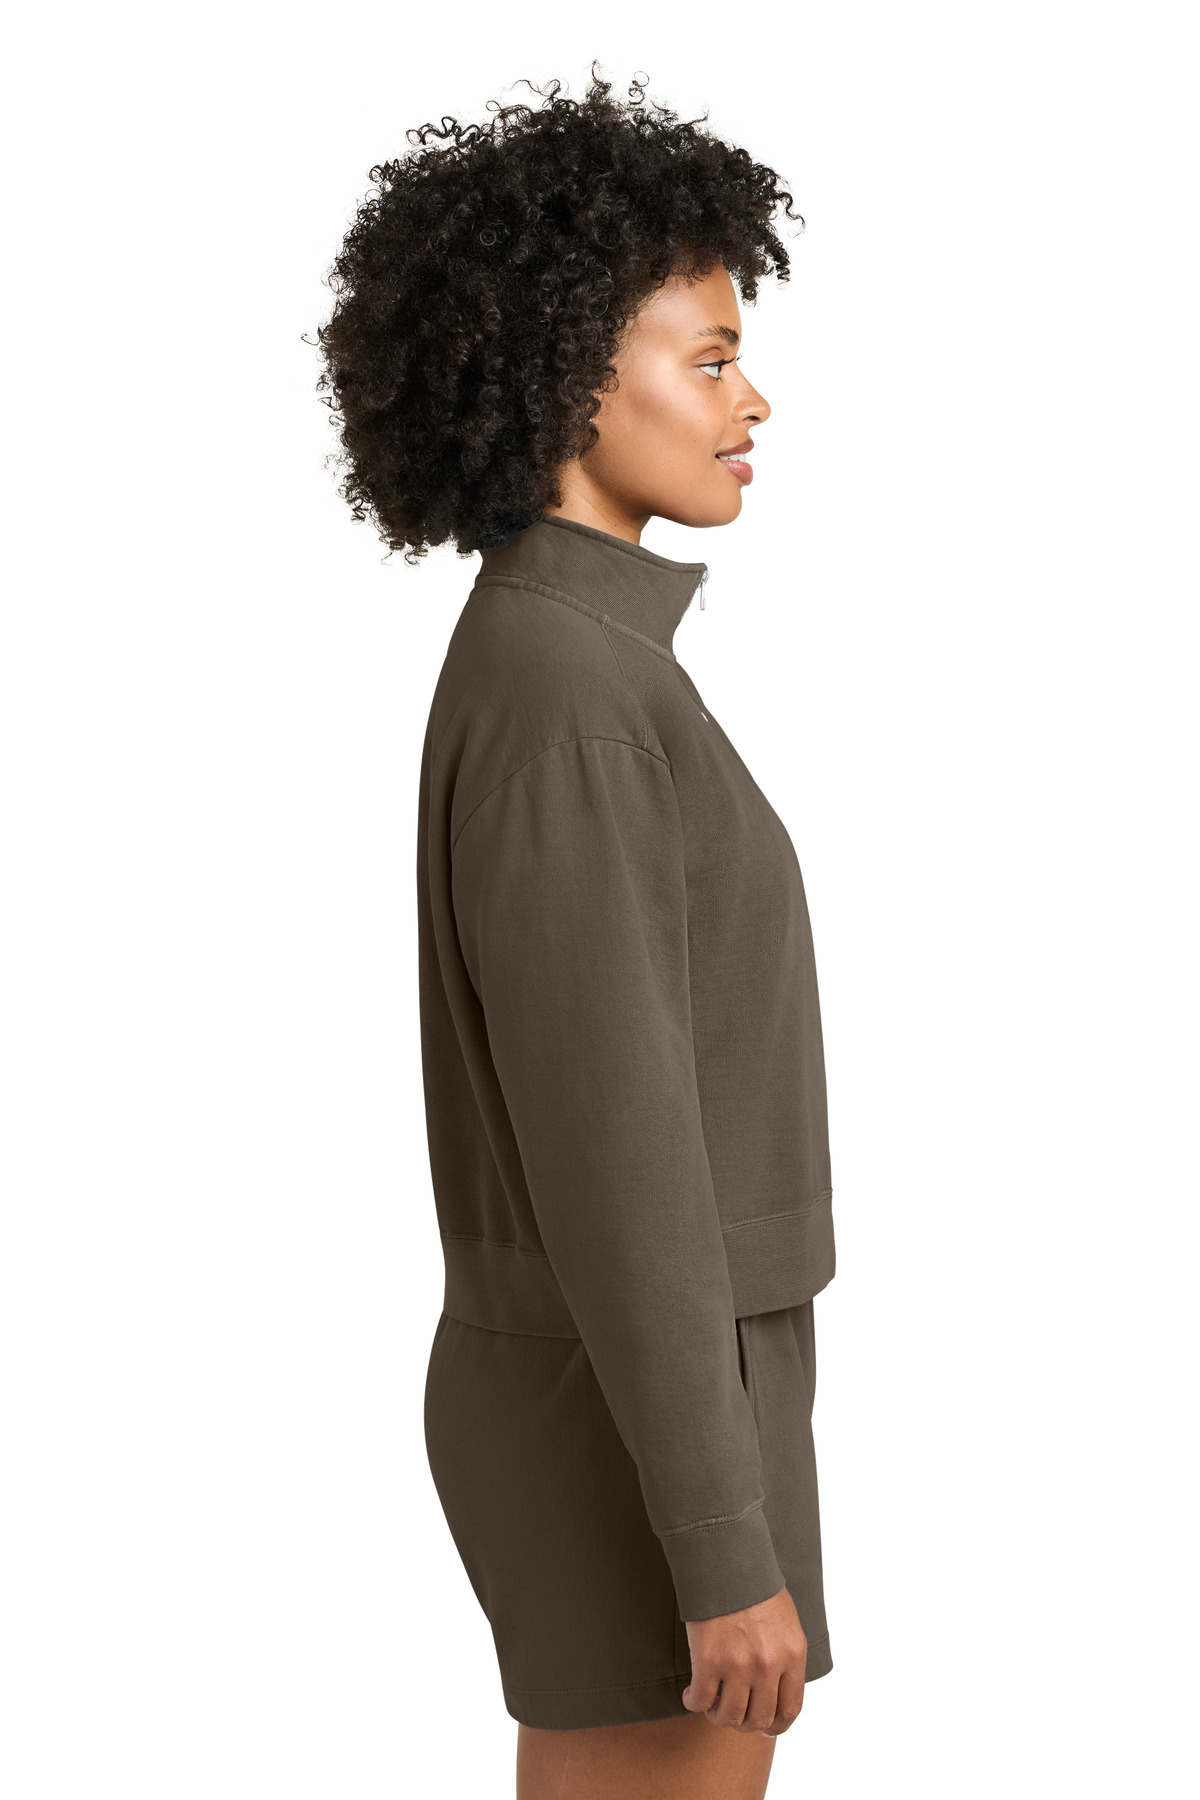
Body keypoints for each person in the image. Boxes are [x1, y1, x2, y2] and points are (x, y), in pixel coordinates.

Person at [316, 68, 836, 1800]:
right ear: (566, 376)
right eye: (711, 358)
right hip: (639, 1419)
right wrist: (720, 1540)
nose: (752, 399)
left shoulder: (584, 666)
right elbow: (619, 1161)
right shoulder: (572, 699)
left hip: (652, 1394)